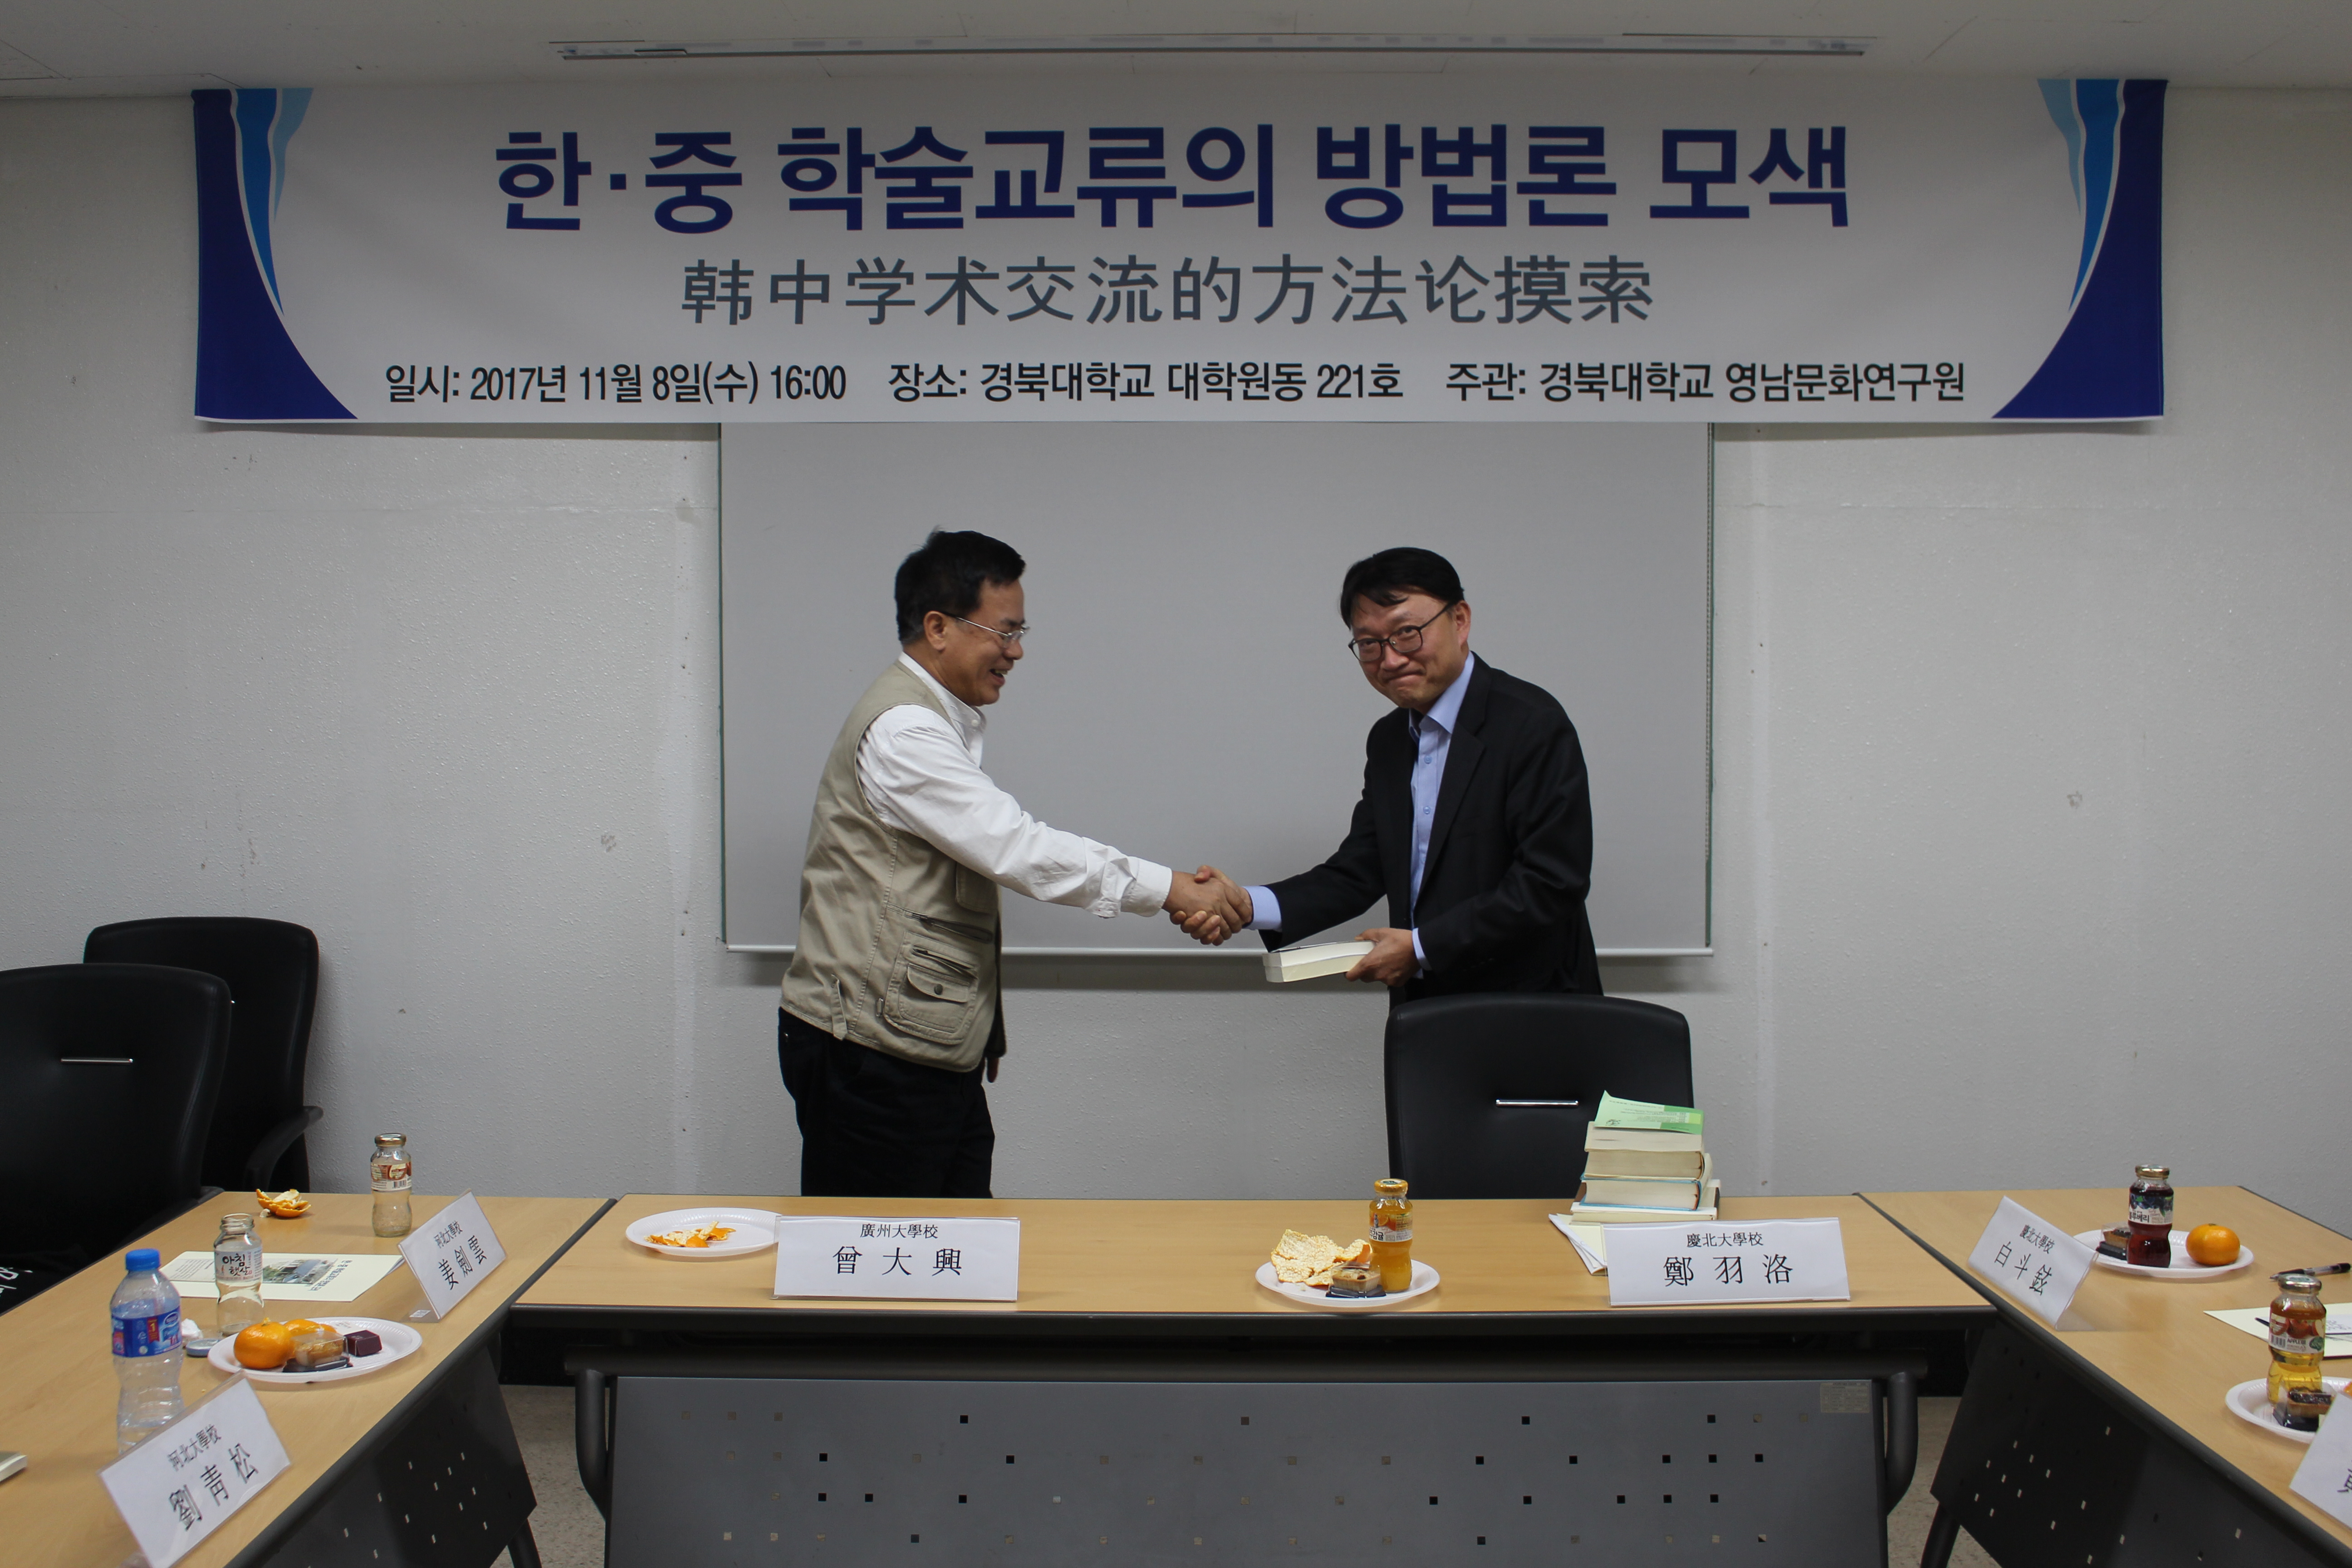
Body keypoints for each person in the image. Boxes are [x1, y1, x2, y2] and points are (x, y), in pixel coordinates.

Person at [779, 529, 1246, 1198]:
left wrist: (978, 1030)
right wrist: (1169, 888)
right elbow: (1017, 848)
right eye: (1004, 631)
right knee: (881, 1255)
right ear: (938, 628)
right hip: (872, 1052)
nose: (1017, 651)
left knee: (956, 1241)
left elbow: (944, 890)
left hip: (916, 1042)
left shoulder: (935, 720)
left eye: (1021, 632)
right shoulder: (905, 731)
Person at [1176, 547, 1601, 1000]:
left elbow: (1552, 883)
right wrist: (1245, 905)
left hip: (1531, 1005)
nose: (1391, 660)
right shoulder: (1389, 739)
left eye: (1407, 634)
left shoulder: (1532, 723)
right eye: (1369, 644)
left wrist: (1421, 948)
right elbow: (1361, 869)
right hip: (1424, 1006)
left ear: (1460, 621)